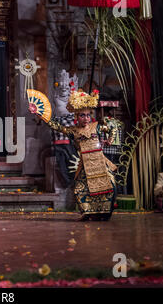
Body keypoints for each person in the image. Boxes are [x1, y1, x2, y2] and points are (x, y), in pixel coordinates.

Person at [29, 89, 117, 221]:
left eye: (88, 115)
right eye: (82, 115)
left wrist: (110, 140)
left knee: (110, 185)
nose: (86, 118)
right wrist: (40, 113)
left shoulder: (97, 126)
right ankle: (89, 212)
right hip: (85, 163)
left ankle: (104, 213)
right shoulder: (73, 131)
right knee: (80, 189)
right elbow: (55, 125)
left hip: (100, 161)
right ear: (76, 117)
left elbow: (113, 127)